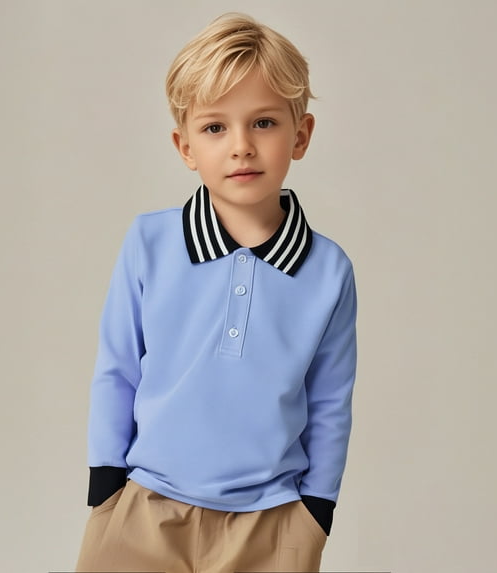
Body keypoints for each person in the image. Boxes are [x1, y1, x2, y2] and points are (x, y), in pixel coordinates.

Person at [76, 12, 357, 573]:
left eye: (264, 123)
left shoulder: (328, 271)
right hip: (144, 507)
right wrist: (106, 487)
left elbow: (330, 402)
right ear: (185, 147)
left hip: (273, 523)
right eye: (214, 128)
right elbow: (117, 368)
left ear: (300, 135)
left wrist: (316, 512)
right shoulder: (149, 242)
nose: (241, 147)